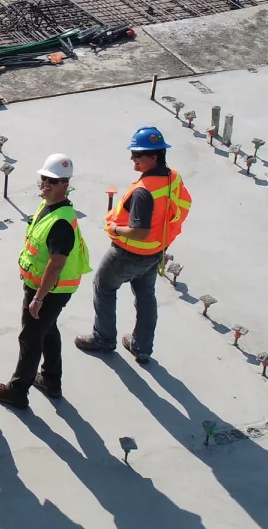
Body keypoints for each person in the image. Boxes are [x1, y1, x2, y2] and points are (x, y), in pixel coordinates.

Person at [77, 126, 193, 365]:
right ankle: (142, 348)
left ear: (154, 157)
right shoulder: (172, 177)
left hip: (128, 254)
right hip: (156, 251)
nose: (133, 158)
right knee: (146, 296)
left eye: (138, 154)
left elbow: (139, 232)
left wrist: (115, 229)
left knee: (104, 287)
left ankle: (104, 338)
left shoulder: (143, 192)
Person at [0, 154, 91, 408]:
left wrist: (38, 298)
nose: (45, 184)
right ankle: (51, 380)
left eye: (53, 181)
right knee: (48, 330)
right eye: (44, 178)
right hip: (45, 288)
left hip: (49, 291)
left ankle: (16, 391)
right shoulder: (49, 207)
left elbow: (55, 264)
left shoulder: (60, 222)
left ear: (65, 185)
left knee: (30, 338)